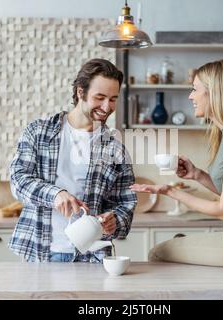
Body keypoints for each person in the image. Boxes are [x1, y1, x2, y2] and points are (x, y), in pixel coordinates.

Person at [130, 60, 223, 268]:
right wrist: (197, 175)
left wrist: (171, 192)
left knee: (158, 253)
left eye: (194, 89)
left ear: (215, 93)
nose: (190, 96)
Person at [9, 58, 137, 263]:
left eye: (113, 99)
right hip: (39, 253)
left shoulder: (115, 148)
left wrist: (115, 221)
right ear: (80, 92)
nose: (107, 107)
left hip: (91, 257)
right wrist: (55, 194)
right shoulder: (39, 131)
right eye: (100, 97)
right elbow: (18, 180)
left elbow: (126, 203)